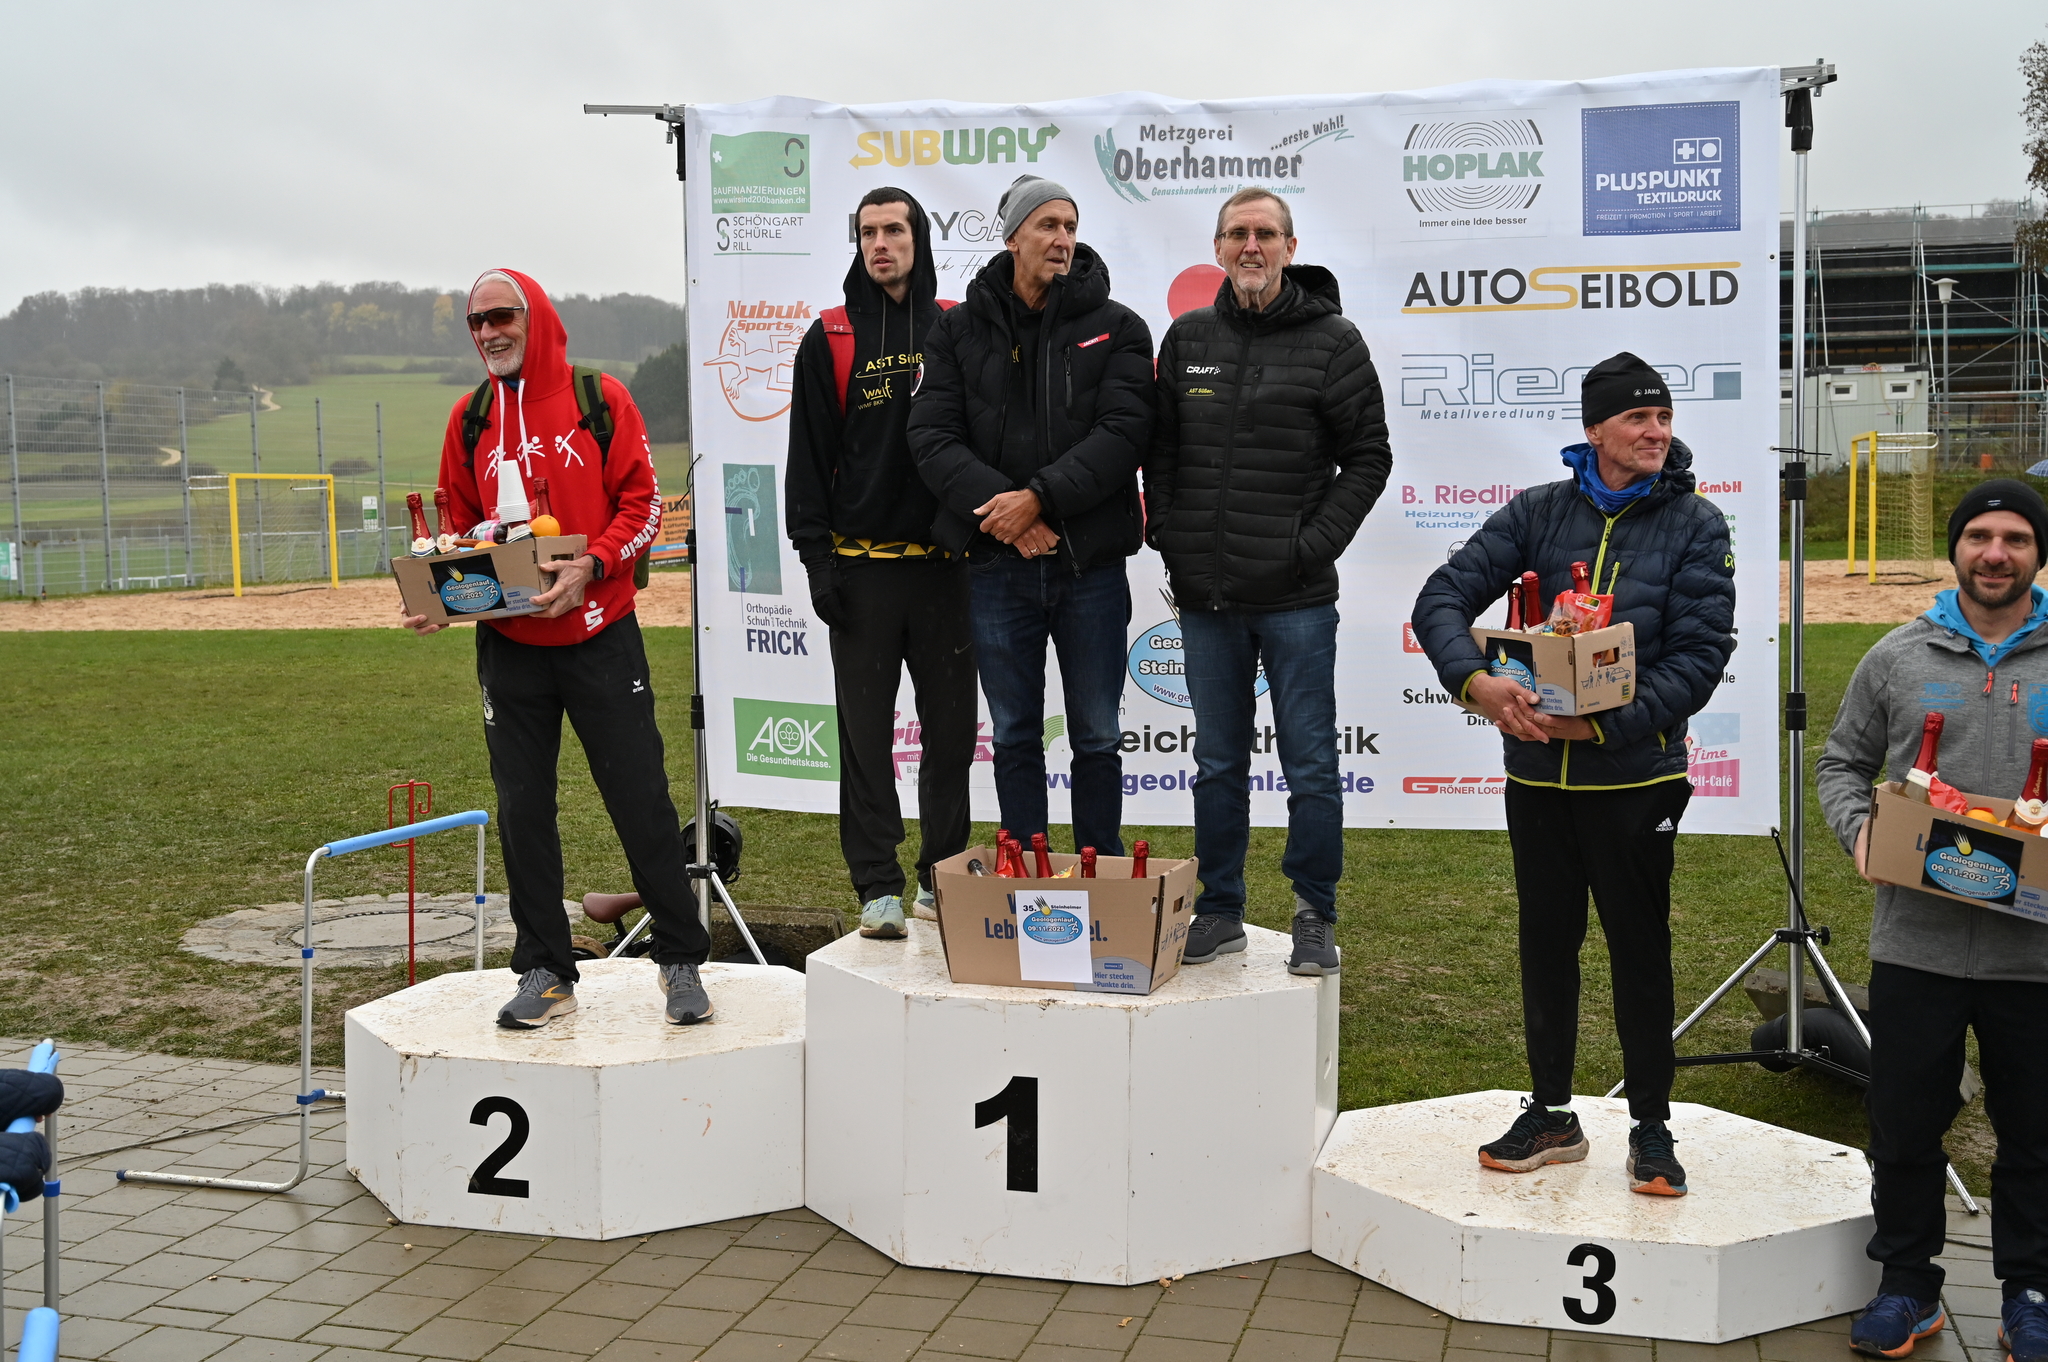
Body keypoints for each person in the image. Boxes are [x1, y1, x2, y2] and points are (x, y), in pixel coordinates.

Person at [1411, 352, 1734, 1197]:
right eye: (1637, 418)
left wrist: (1599, 723)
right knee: (1546, 947)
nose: (1656, 432)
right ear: (1595, 429)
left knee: (1640, 952)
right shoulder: (1538, 512)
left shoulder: (1696, 523)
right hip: (1537, 782)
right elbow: (1440, 599)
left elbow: (1699, 658)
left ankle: (1652, 1128)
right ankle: (1552, 1114)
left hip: (1635, 780)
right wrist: (1476, 684)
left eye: (1663, 417)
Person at [402, 268, 713, 1030]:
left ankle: (680, 959)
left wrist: (592, 566)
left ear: (534, 316)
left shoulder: (599, 399)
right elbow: (463, 530)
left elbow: (645, 508)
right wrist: (445, 596)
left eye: (501, 317)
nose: (488, 333)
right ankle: (544, 969)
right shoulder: (469, 418)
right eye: (475, 323)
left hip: (600, 636)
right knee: (522, 811)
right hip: (511, 648)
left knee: (640, 799)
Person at [1817, 480, 2048, 1362]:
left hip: (2036, 954)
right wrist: (1861, 832)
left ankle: (2029, 1292)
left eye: (2016, 538)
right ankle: (1907, 1284)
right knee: (1906, 1126)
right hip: (1916, 945)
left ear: (2037, 554)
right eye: (1980, 536)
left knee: (2036, 1133)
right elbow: (1842, 763)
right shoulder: (1897, 656)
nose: (1996, 553)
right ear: (1955, 549)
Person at [1145, 188, 1391, 977]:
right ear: (1218, 247)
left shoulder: (1333, 341)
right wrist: (1169, 533)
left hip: (1296, 601)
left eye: (1265, 234)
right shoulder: (1189, 338)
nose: (1251, 246)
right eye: (1237, 234)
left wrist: (1310, 546)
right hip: (1208, 598)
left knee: (1310, 764)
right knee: (1218, 764)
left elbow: (1369, 457)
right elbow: (1162, 451)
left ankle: (1315, 913)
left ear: (1290, 246)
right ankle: (1220, 910)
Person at [908, 176, 1154, 856]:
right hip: (996, 567)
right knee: (1015, 733)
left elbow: (1123, 435)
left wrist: (1038, 499)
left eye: (1070, 225)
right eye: (1047, 225)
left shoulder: (1119, 328)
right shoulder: (955, 331)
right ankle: (1027, 873)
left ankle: (1101, 871)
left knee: (1097, 735)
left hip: (1090, 569)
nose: (1062, 238)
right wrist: (1008, 515)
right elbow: (931, 437)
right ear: (1013, 236)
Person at [785, 188, 976, 941]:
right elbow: (807, 463)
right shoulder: (829, 336)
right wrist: (817, 563)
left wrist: (962, 526)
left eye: (894, 230)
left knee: (951, 736)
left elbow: (980, 439)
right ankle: (877, 887)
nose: (880, 244)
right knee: (866, 740)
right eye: (867, 232)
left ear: (918, 238)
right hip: (861, 573)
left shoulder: (955, 327)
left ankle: (941, 877)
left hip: (944, 570)